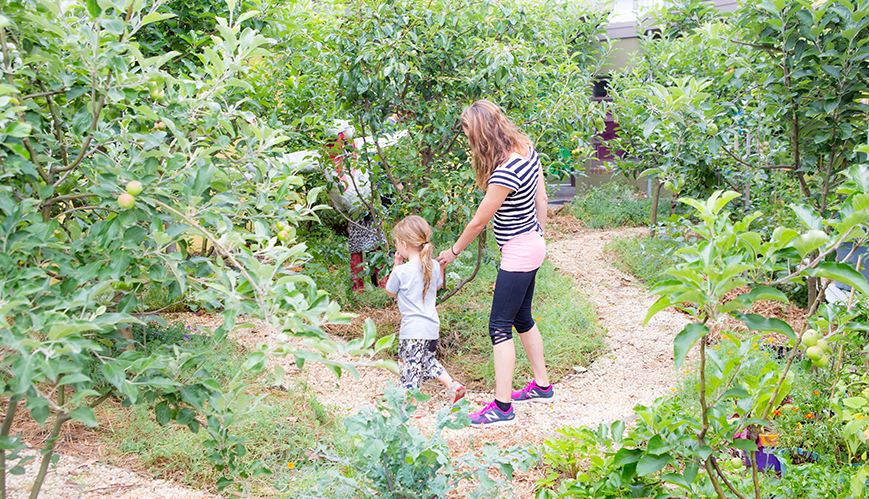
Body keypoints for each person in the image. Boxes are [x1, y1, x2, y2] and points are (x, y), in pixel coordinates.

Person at [437, 99, 553, 427]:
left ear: (482, 133)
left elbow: (478, 222)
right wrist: (539, 235)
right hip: (532, 243)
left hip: (519, 251)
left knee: (498, 326)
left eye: (469, 134)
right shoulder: (527, 149)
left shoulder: (504, 172)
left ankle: (502, 407)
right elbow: (542, 199)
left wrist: (453, 252)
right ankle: (542, 386)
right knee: (522, 317)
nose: (468, 140)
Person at [386, 215, 466, 408]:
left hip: (412, 329)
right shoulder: (433, 266)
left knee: (409, 366)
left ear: (404, 245)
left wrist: (396, 266)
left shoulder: (401, 271)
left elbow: (390, 291)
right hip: (431, 327)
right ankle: (452, 385)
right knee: (425, 360)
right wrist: (441, 268)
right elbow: (437, 286)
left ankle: (411, 406)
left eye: (397, 244)